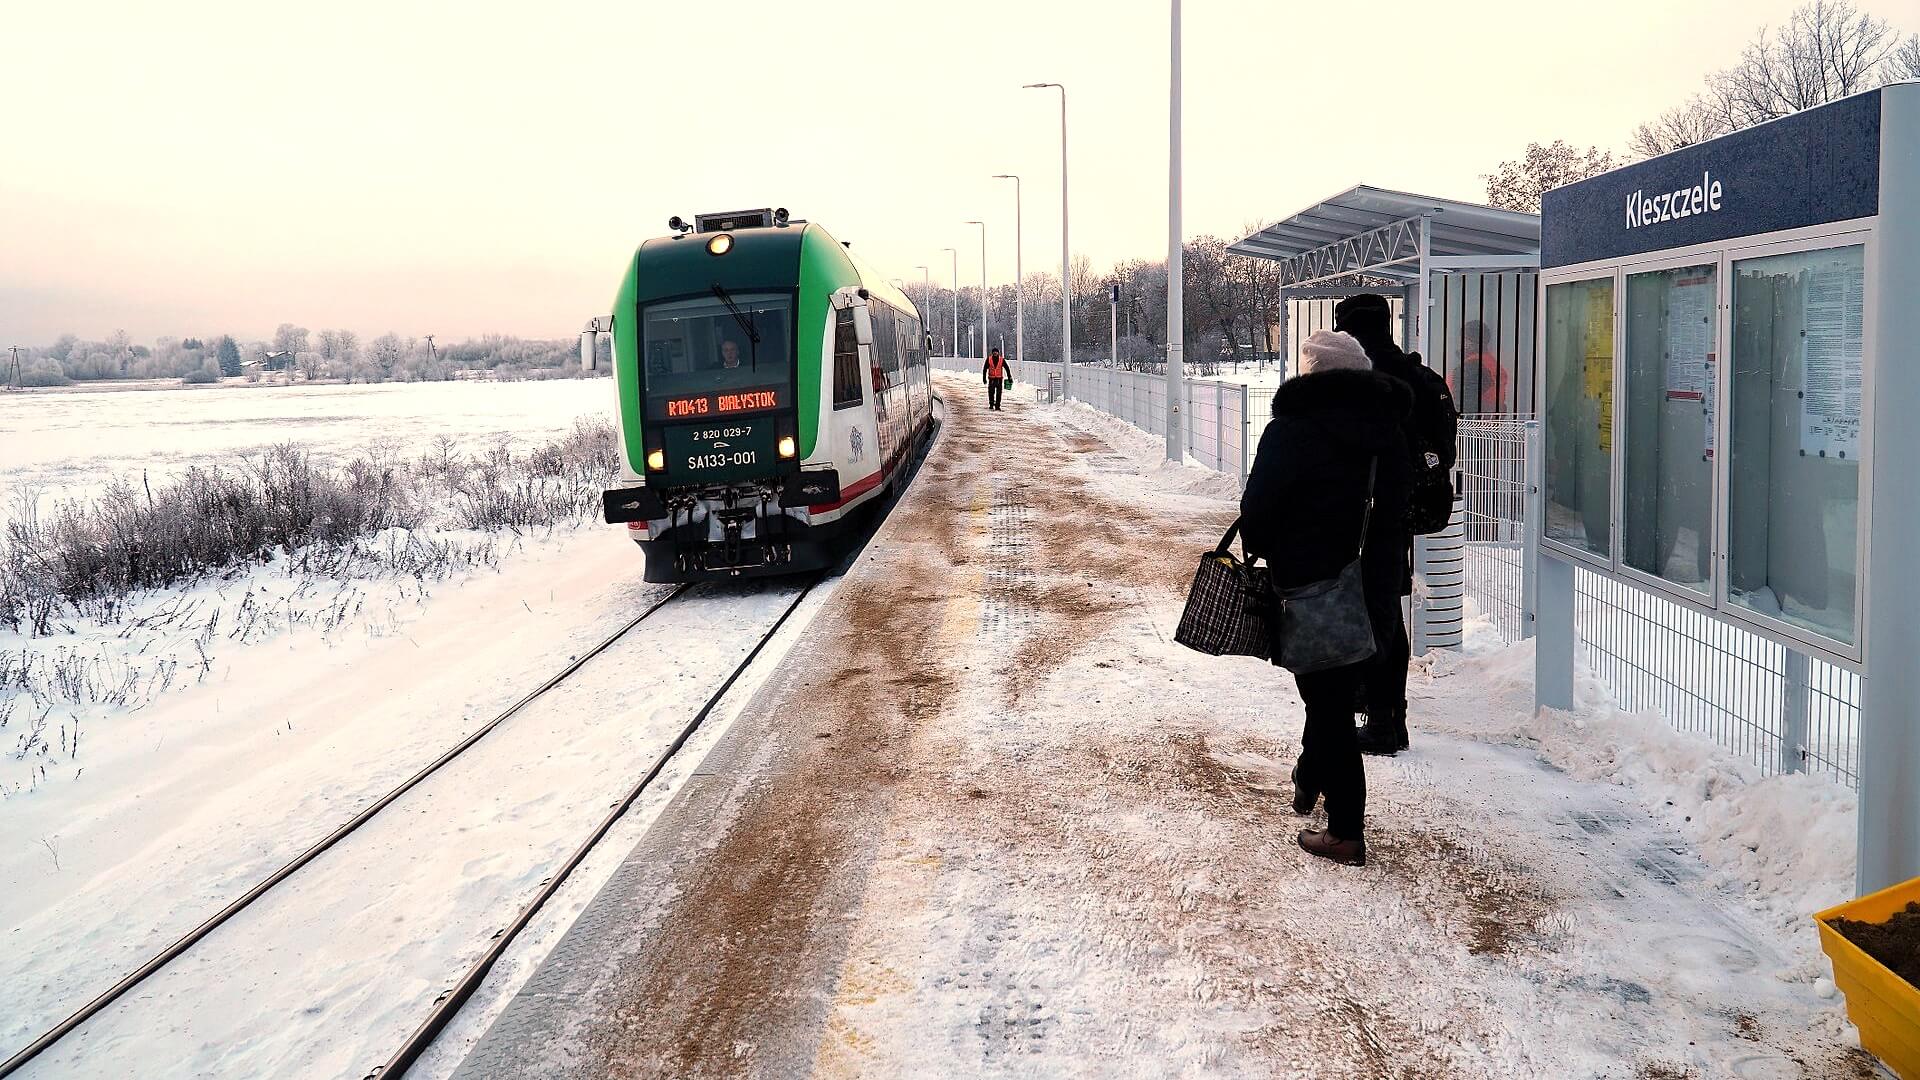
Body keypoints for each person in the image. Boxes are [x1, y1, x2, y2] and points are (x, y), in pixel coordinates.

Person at [1240, 329, 1413, 866]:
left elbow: (1259, 512)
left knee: (1328, 703)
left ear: (1313, 373)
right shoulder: (1391, 431)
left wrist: (1268, 549)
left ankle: (1344, 831)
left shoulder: (1292, 431)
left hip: (1314, 586)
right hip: (1375, 585)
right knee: (1332, 697)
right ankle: (1310, 776)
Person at [1331, 293, 1457, 757]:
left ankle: (1373, 717)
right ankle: (1390, 715)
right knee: (1386, 615)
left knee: (1353, 614)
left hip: (1356, 518)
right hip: (1396, 519)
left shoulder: (1358, 377)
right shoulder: (1412, 375)